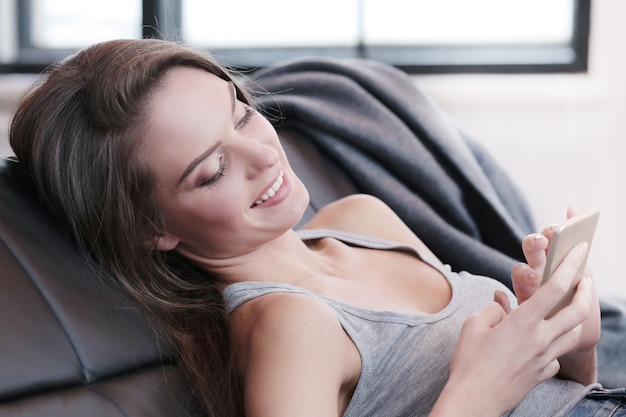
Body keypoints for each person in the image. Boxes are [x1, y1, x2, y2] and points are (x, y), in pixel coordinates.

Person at [7, 38, 622, 417]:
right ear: (149, 228)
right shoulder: (284, 326)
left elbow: (564, 401)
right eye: (214, 169)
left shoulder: (363, 217)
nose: (263, 155)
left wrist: (572, 341)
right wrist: (478, 391)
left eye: (241, 116)